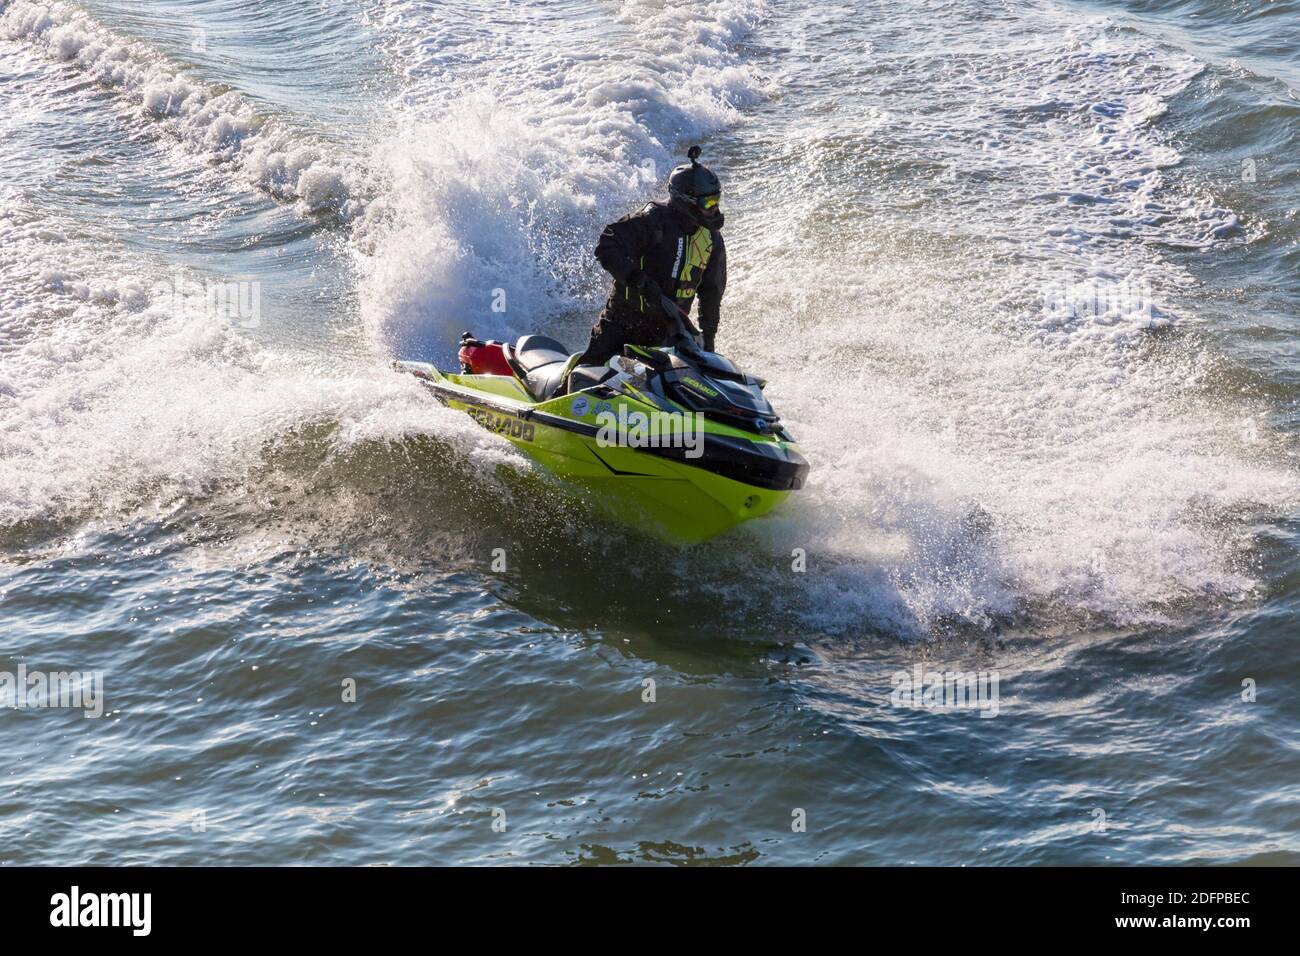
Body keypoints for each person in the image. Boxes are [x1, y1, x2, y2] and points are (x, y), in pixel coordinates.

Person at [576, 146, 727, 372]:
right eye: (708, 204)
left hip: (667, 333)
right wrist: (640, 281)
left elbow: (711, 292)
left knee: (672, 394)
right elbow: (607, 245)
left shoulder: (712, 241)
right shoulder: (651, 221)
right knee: (586, 378)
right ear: (686, 201)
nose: (715, 209)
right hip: (622, 324)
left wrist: (709, 341)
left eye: (716, 200)